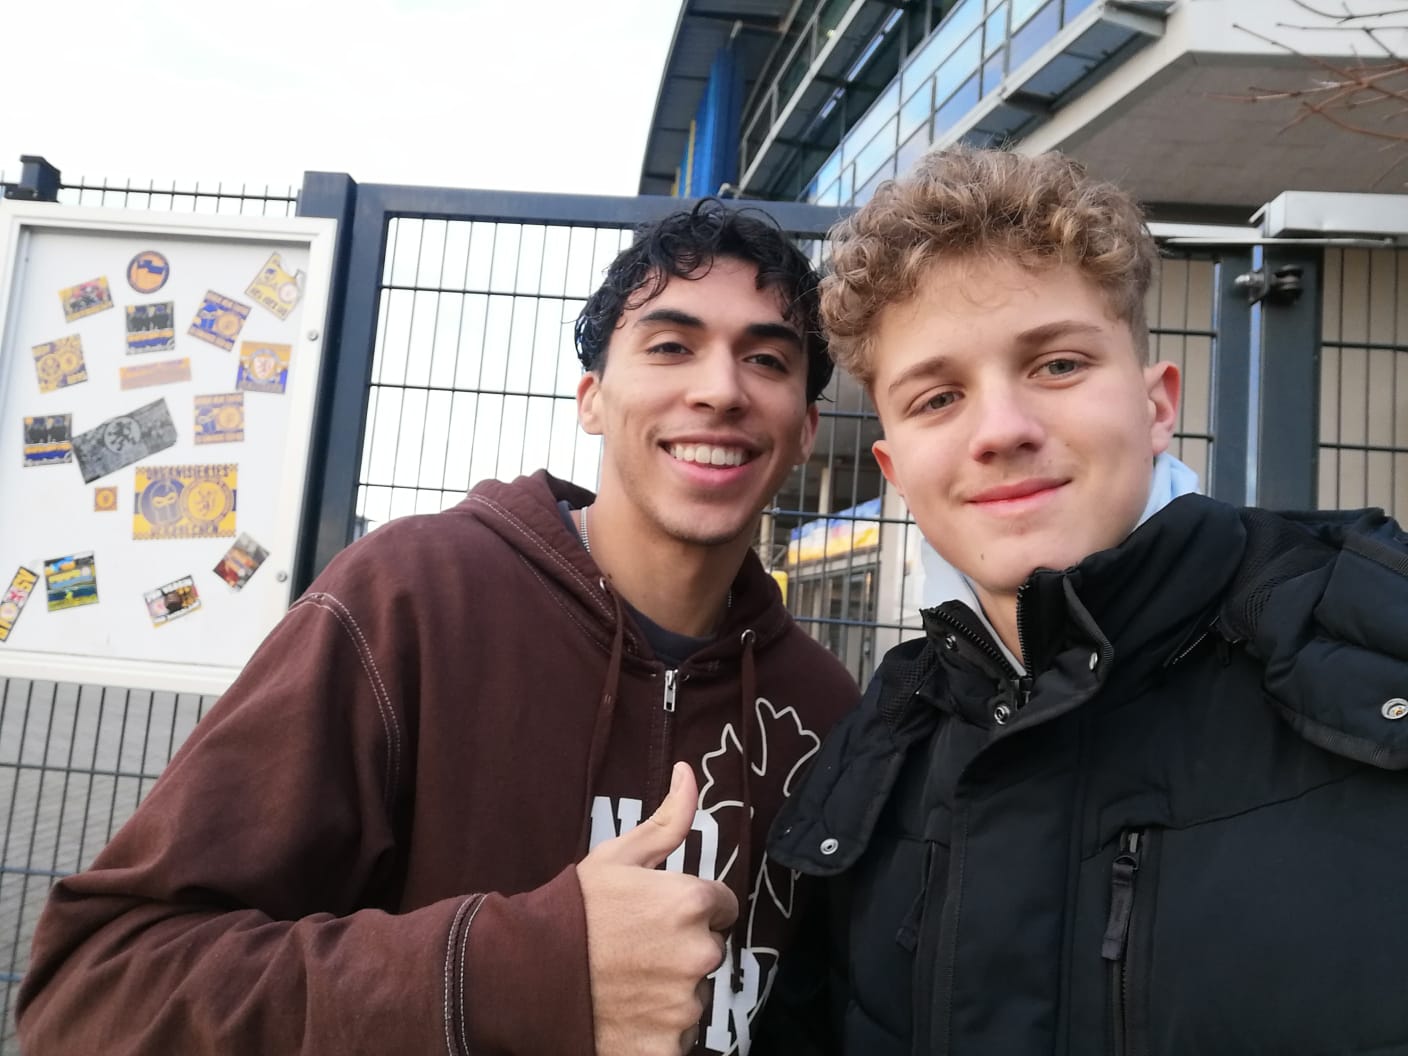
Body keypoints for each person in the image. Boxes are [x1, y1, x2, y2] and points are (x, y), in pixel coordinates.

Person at [17, 200, 858, 1056]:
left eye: (766, 359)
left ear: (805, 429)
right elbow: (96, 992)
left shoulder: (828, 712)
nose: (721, 390)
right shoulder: (409, 600)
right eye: (671, 346)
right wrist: (517, 974)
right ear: (593, 400)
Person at [768, 146, 1408, 1054]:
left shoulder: (1383, 647)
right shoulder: (873, 752)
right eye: (938, 398)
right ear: (895, 470)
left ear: (1157, 406)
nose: (1001, 430)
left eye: (1058, 365)